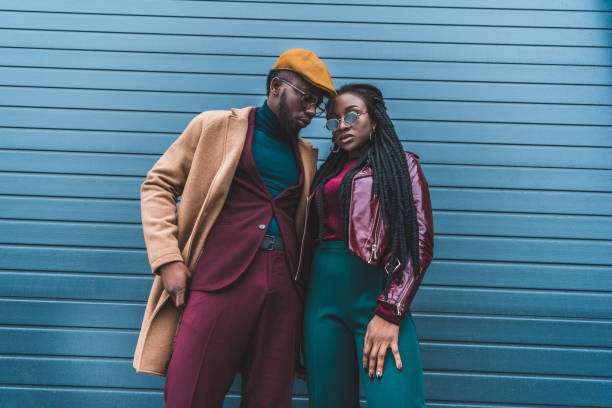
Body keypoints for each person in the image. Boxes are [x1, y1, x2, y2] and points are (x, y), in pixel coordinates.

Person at [132, 48, 336, 407]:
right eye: (306, 99)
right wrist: (168, 259)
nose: (310, 112)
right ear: (276, 86)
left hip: (284, 286)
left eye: (316, 105)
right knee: (189, 392)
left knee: (270, 397)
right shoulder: (215, 126)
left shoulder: (306, 155)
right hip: (220, 276)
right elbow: (158, 185)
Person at [298, 83, 434, 407]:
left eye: (351, 115)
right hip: (322, 303)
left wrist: (391, 311)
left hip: (375, 300)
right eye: (333, 121)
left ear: (374, 119)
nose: (341, 125)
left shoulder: (402, 165)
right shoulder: (324, 172)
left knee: (397, 400)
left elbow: (420, 242)